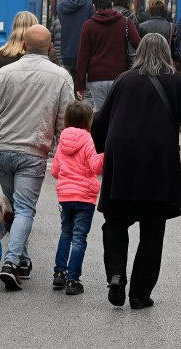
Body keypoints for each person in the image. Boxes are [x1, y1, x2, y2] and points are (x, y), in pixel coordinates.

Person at [91, 34, 181, 310]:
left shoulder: (123, 79)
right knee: (153, 229)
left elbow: (99, 123)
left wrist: (105, 149)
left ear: (139, 53)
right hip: (158, 160)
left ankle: (117, 275)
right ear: (167, 53)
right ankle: (140, 294)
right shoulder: (177, 81)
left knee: (116, 221)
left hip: (122, 159)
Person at [0, 25, 73, 291]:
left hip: (2, 151)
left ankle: (23, 260)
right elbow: (66, 122)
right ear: (50, 47)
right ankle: (11, 261)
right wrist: (66, 155)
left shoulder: (5, 73)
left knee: (15, 209)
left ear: (24, 46)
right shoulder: (61, 76)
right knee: (25, 209)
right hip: (33, 152)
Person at [51, 101, 104, 296]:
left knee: (66, 232)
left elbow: (55, 171)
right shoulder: (88, 140)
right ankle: (73, 280)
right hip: (84, 197)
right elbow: (95, 167)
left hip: (65, 196)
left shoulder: (63, 140)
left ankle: (59, 272)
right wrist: (106, 155)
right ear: (88, 121)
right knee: (79, 237)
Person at [0, 11, 58, 126]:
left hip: (7, 117)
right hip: (38, 117)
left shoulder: (3, 54)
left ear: (14, 28)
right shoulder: (48, 54)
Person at [75, 0, 141, 112]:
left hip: (96, 78)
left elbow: (83, 57)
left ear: (94, 6)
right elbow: (140, 45)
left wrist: (80, 85)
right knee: (118, 112)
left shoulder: (88, 26)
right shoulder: (125, 22)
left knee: (100, 114)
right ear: (111, 4)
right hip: (119, 77)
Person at [56, 0, 94, 80]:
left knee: (69, 89)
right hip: (84, 54)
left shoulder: (61, 5)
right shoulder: (89, 5)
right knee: (83, 91)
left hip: (66, 55)